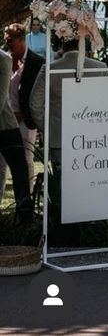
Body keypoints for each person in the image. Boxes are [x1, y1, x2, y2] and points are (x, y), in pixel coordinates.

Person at [29, 34, 108, 164]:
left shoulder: (50, 69)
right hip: (94, 137)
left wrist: (48, 127)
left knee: (62, 180)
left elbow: (35, 104)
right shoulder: (100, 68)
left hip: (59, 136)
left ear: (62, 45)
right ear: (82, 43)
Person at [0, 23, 43, 204]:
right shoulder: (6, 58)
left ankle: (28, 200)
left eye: (10, 40)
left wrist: (25, 115)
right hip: (7, 115)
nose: (7, 44)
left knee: (25, 160)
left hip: (25, 119)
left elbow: (37, 93)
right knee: (1, 164)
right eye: (5, 40)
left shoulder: (36, 61)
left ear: (21, 39)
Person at [0, 47, 34, 224]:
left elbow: (1, 95)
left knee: (19, 170)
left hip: (5, 125)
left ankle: (25, 217)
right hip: (6, 124)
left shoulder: (3, 58)